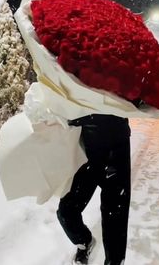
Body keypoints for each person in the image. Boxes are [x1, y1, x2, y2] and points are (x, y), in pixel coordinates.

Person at [57, 113, 131, 265]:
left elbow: (136, 99)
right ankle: (84, 242)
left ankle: (114, 262)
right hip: (86, 150)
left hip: (116, 148)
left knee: (115, 217)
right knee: (67, 210)